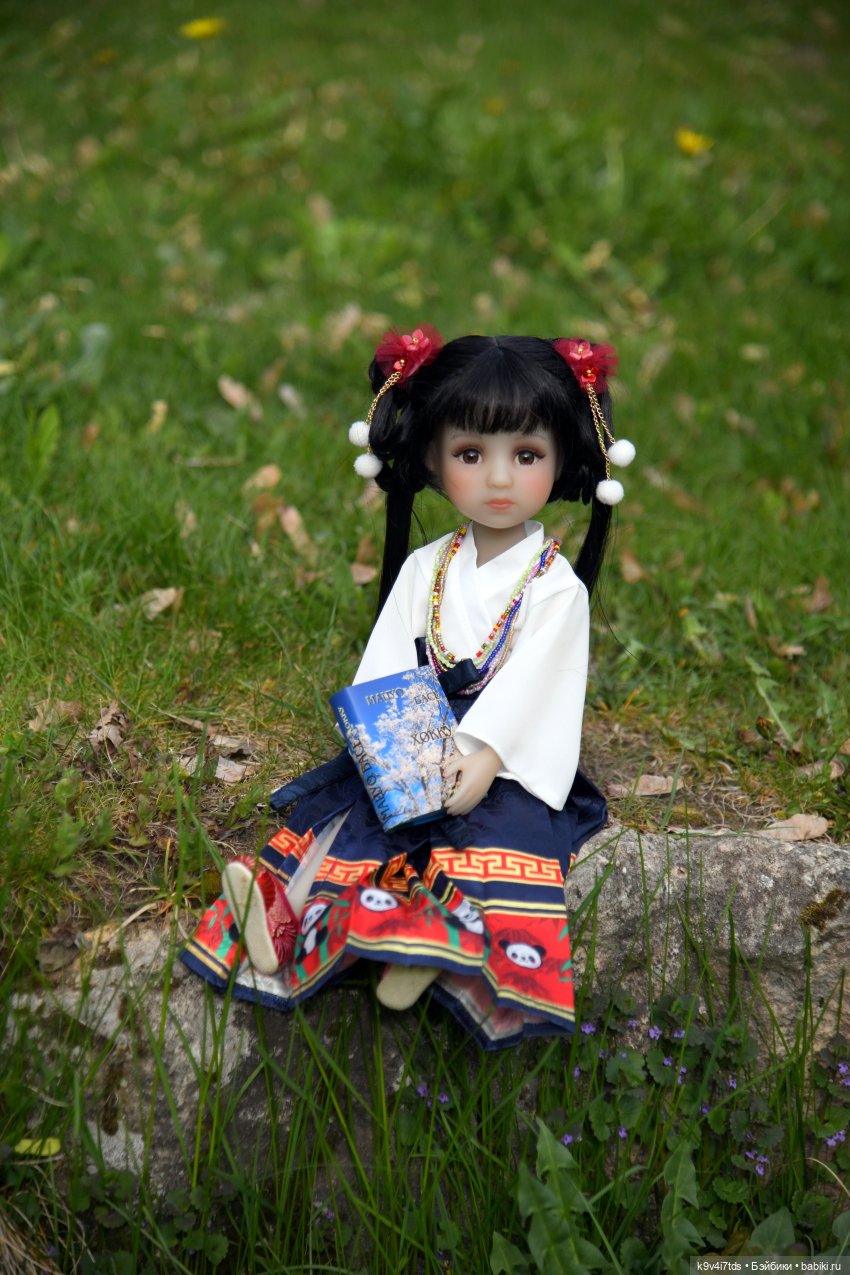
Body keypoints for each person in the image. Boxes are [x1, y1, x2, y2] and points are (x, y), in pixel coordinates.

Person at [181, 328, 635, 1049]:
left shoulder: (555, 589)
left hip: (500, 753)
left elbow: (537, 687)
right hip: (413, 731)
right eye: (470, 454)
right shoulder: (429, 566)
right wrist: (395, 746)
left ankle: (430, 949)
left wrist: (484, 754)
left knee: (490, 837)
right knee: (357, 821)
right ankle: (282, 918)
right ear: (430, 458)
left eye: (526, 455)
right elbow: (389, 663)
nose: (498, 479)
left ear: (563, 460)